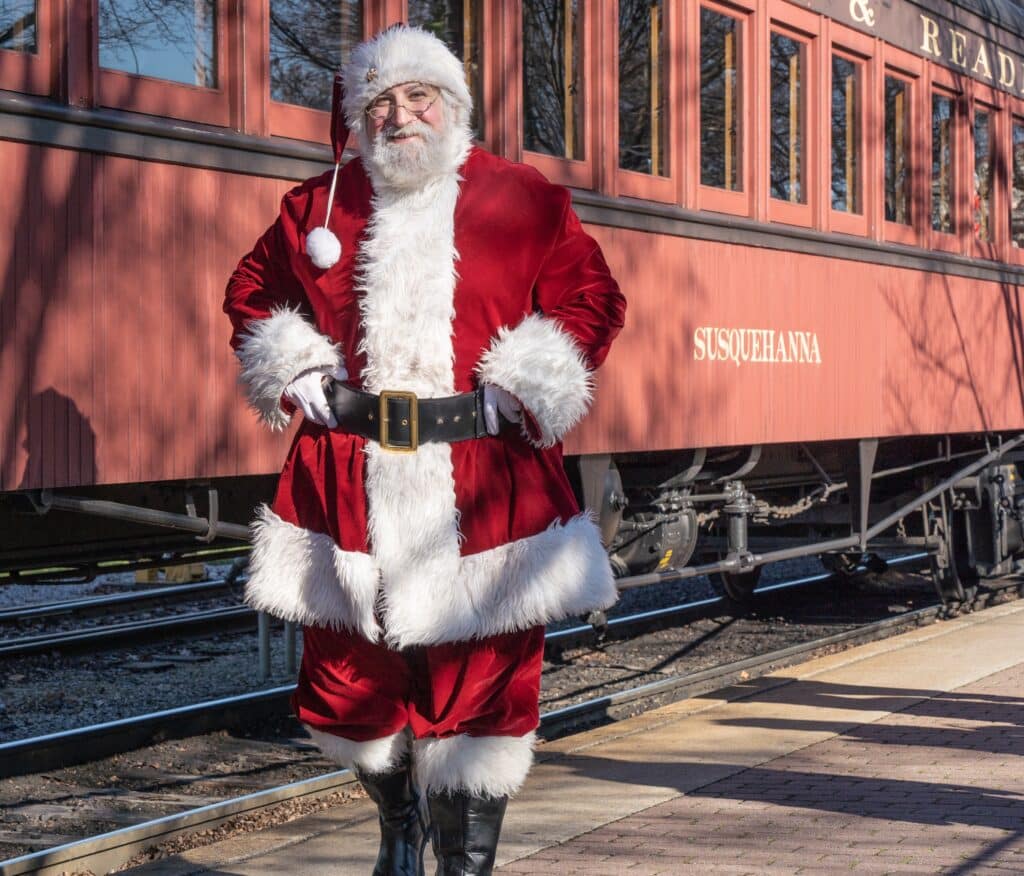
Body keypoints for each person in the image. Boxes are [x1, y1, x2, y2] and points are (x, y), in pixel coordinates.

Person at [224, 24, 625, 876]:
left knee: (482, 694)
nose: (400, 115)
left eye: (419, 96)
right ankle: (399, 822)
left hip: (483, 483)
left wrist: (531, 376)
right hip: (348, 482)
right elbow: (252, 291)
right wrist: (293, 362)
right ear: (358, 118)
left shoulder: (522, 198)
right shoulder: (317, 209)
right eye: (380, 102)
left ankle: (464, 867)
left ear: (453, 104)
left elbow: (592, 297)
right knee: (348, 692)